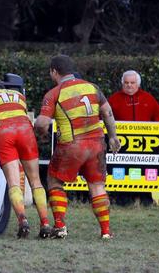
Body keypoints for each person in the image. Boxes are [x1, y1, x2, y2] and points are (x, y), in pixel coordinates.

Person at [34, 55, 121, 240]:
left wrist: (39, 132)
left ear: (54, 72)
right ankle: (105, 231)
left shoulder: (54, 93)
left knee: (55, 180)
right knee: (97, 186)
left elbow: (42, 123)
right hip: (97, 143)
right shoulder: (92, 87)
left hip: (71, 144)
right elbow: (107, 112)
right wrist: (113, 136)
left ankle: (60, 226)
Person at [0, 80, 50, 239]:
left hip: (5, 131)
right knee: (36, 181)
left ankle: (22, 220)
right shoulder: (19, 95)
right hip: (26, 130)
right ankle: (45, 223)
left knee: (13, 182)